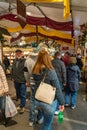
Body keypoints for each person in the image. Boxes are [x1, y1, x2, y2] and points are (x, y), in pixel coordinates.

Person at [29, 49, 65, 130]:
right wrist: (62, 103)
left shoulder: (35, 69)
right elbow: (57, 88)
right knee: (47, 125)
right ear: (48, 58)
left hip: (37, 100)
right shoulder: (51, 71)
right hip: (49, 102)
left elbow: (32, 84)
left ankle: (40, 118)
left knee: (41, 111)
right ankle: (41, 120)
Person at [11, 49, 26, 114]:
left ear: (21, 54)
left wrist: (26, 80)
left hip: (22, 81)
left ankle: (22, 106)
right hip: (16, 80)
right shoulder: (14, 61)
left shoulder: (25, 61)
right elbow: (12, 69)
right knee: (18, 93)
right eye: (17, 53)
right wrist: (12, 77)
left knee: (23, 94)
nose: (18, 54)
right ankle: (21, 104)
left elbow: (26, 71)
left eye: (19, 53)